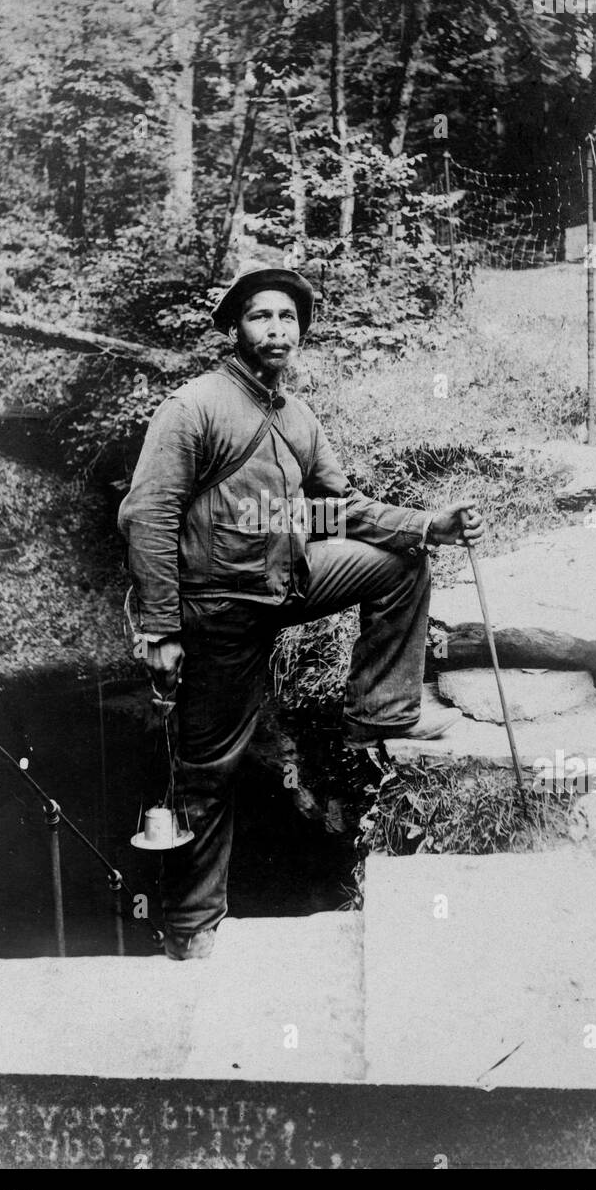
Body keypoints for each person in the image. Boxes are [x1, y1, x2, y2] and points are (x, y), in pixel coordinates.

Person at [118, 261, 484, 960]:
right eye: (262, 315)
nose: (277, 329)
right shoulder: (193, 407)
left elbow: (340, 509)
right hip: (218, 610)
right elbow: (148, 515)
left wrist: (430, 523)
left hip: (288, 581)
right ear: (235, 327)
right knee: (208, 769)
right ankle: (192, 932)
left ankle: (379, 712)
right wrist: (161, 628)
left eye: (288, 318)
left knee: (398, 562)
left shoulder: (296, 415)